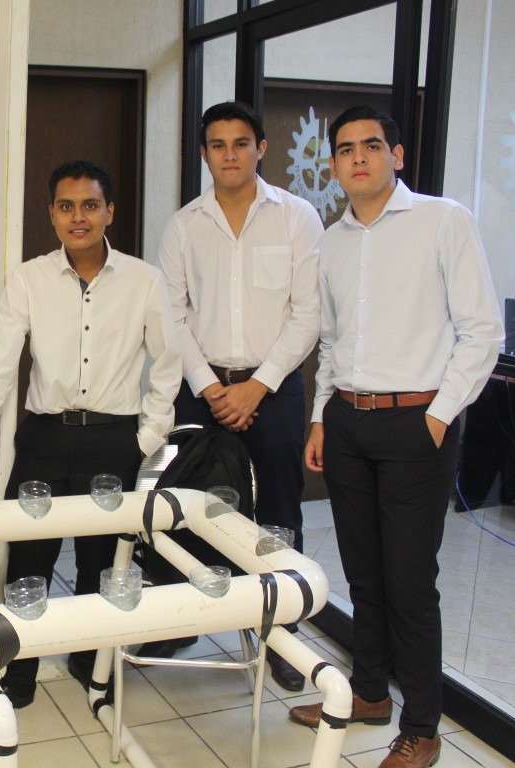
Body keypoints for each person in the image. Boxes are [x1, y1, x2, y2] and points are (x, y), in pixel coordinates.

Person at [288, 106, 503, 768]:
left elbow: (483, 332)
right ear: (333, 165)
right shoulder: (332, 241)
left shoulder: (444, 221)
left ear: (397, 155)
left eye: (372, 145)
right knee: (364, 572)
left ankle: (423, 727)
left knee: (410, 582)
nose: (358, 157)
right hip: (348, 422)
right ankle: (369, 693)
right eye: (345, 149)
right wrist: (321, 416)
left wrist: (438, 416)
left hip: (417, 423)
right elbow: (331, 342)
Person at [0, 160, 181, 728]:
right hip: (44, 439)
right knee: (28, 563)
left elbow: (168, 365)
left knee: (102, 563)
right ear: (51, 214)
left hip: (114, 440)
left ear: (109, 211)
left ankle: (92, 666)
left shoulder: (144, 280)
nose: (78, 217)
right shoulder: (28, 279)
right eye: (66, 206)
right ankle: (16, 679)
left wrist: (145, 438)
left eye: (90, 205)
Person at [156, 100, 322, 690]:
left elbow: (308, 313)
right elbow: (172, 316)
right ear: (205, 154)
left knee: (278, 510)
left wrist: (256, 386)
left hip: (273, 389)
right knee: (191, 505)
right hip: (200, 390)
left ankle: (282, 632)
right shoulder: (183, 225)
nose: (230, 155)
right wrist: (209, 386)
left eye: (241, 143)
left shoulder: (297, 217)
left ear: (261, 148)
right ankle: (184, 619)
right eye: (218, 145)